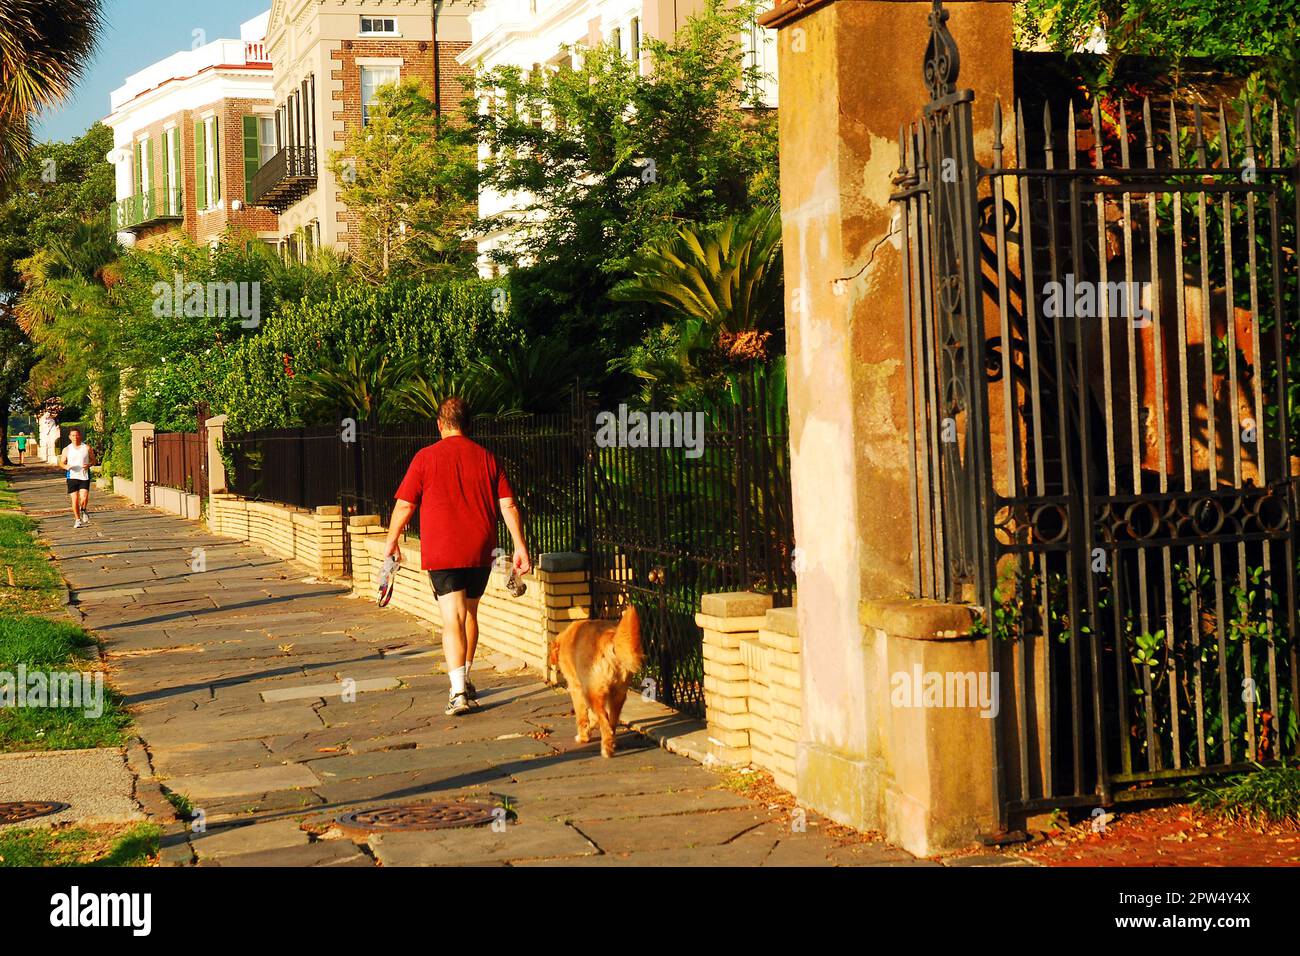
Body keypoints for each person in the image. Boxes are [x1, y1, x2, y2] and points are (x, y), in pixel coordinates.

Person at [383, 397, 530, 716]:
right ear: (469, 424)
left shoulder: (425, 458)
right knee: (471, 613)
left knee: (453, 617)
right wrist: (520, 546)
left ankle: (459, 691)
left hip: (442, 550)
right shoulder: (488, 457)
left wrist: (392, 540)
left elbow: (406, 504)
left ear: (439, 424)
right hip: (480, 548)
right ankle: (464, 676)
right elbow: (508, 505)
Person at [60, 428, 95, 529]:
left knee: (84, 498)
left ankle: (83, 509)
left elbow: (93, 460)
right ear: (70, 437)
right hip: (72, 476)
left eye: (77, 435)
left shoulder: (87, 448)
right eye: (73, 435)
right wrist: (66, 466)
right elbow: (61, 462)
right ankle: (77, 520)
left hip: (84, 476)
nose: (75, 437)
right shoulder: (66, 449)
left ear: (80, 436)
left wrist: (88, 465)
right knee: (74, 500)